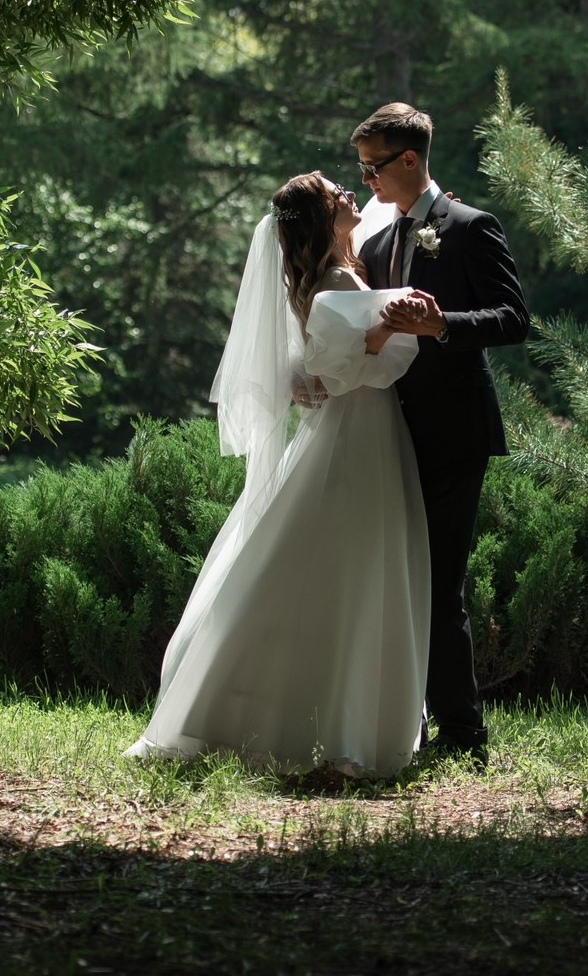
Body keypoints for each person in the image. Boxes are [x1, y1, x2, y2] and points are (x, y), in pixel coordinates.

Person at [125, 173, 431, 774]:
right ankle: (327, 720)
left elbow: (309, 367)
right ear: (320, 220)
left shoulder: (338, 269)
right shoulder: (335, 280)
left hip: (362, 424)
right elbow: (336, 368)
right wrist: (389, 326)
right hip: (356, 427)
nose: (350, 195)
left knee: (332, 558)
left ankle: (313, 708)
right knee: (348, 562)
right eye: (336, 194)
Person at [354, 103, 530, 762]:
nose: (367, 181)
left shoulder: (468, 226)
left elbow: (514, 318)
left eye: (374, 168)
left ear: (409, 160)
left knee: (437, 583)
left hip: (454, 429)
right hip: (386, 432)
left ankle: (463, 735)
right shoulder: (373, 245)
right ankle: (406, 721)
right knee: (397, 580)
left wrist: (443, 325)